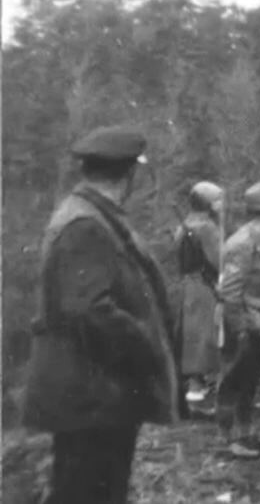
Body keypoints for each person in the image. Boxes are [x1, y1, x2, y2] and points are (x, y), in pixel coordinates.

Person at [23, 125, 178, 504]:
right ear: (129, 176)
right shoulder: (86, 225)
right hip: (92, 397)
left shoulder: (91, 215)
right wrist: (146, 346)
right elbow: (90, 310)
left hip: (96, 395)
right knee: (88, 492)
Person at [216, 181, 260, 458]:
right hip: (240, 321)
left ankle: (246, 434)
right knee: (232, 379)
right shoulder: (242, 243)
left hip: (255, 320)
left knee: (249, 380)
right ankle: (229, 438)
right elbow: (230, 291)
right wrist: (240, 330)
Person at [176, 181, 226, 412]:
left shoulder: (184, 225)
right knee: (208, 340)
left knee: (193, 339)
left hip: (188, 286)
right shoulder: (207, 227)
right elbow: (219, 260)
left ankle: (195, 394)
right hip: (206, 287)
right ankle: (201, 397)